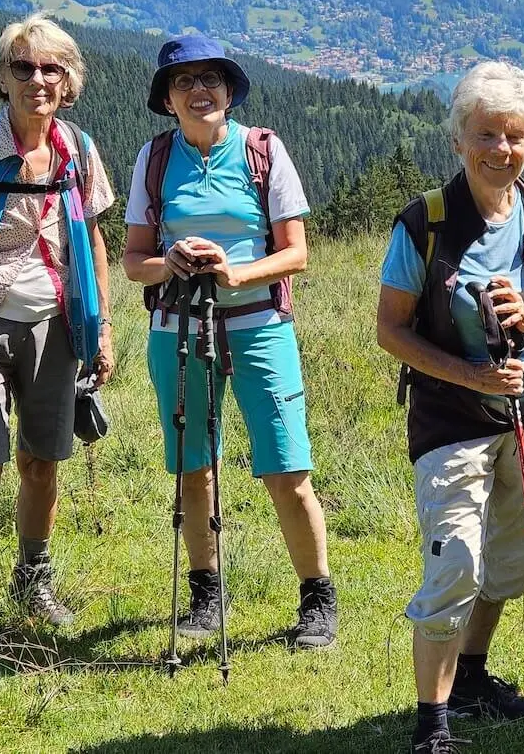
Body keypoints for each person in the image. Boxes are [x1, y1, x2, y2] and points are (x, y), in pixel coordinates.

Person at [377, 61, 524, 754]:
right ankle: (431, 726)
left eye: (516, 135)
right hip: (452, 422)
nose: (502, 149)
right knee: (455, 565)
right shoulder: (425, 223)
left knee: (508, 558)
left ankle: (470, 676)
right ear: (458, 141)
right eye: (487, 135)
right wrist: (469, 374)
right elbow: (391, 331)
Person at [122, 33, 337, 648]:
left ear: (229, 91)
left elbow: (296, 253)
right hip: (178, 327)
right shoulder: (153, 159)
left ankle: (317, 598)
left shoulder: (263, 151)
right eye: (184, 81)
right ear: (167, 99)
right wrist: (169, 262)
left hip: (260, 326)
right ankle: (206, 594)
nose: (199, 90)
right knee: (194, 467)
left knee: (286, 464)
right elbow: (134, 260)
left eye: (211, 78)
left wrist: (235, 273)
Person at [0, 13, 116, 628]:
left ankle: (33, 579)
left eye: (51, 69)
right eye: (24, 67)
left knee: (42, 461)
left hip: (56, 326)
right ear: (2, 77)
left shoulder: (78, 150)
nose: (38, 79)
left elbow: (93, 241)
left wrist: (102, 327)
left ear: (68, 81)